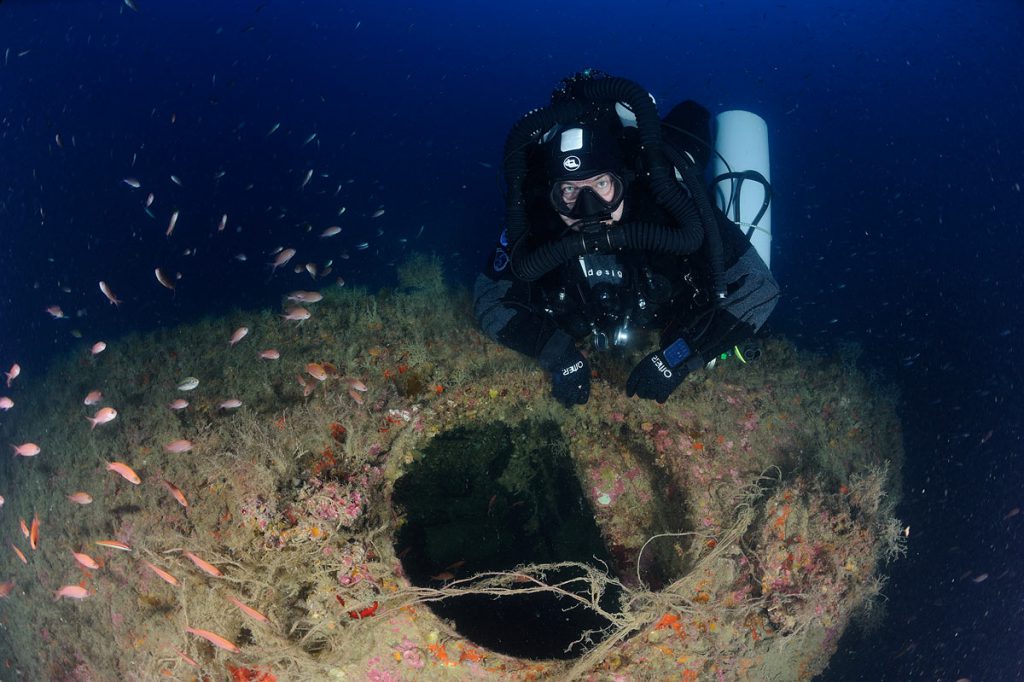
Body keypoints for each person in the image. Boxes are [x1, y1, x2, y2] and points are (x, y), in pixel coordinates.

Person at [474, 72, 779, 406]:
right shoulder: (539, 219)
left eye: (602, 185)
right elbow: (490, 299)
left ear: (624, 181)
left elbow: (759, 287)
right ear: (553, 194)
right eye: (570, 190)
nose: (588, 209)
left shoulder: (666, 205)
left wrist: (677, 358)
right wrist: (556, 352)